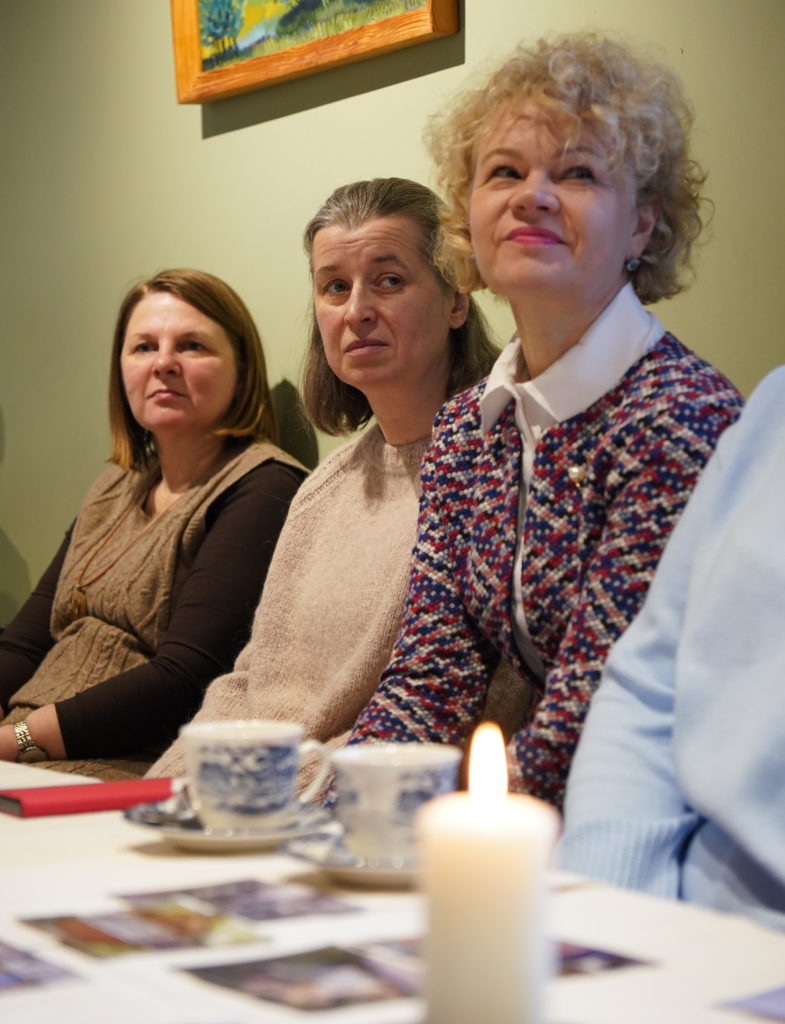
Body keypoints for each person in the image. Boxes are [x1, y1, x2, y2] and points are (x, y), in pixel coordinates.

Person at [348, 34, 743, 808]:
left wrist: (443, 833)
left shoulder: (679, 416)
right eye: (503, 172)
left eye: (577, 173)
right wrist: (344, 810)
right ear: (467, 214)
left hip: (667, 811)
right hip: (524, 812)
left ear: (641, 226)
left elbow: (594, 706)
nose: (531, 196)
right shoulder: (464, 429)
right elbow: (429, 676)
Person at [149, 178, 501, 781]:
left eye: (389, 280)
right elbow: (252, 680)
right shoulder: (323, 488)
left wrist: (276, 797)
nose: (357, 310)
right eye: (335, 286)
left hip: (350, 808)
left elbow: (468, 709)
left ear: (456, 302)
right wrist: (170, 788)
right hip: (247, 797)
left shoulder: (496, 470)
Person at [0, 269, 305, 778]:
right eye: (144, 347)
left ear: (242, 371)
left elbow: (185, 680)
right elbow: (24, 643)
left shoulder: (263, 486)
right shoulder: (115, 486)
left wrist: (19, 740)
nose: (164, 363)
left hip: (119, 769)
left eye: (191, 345)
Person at [559, 367, 785, 931]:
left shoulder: (682, 410)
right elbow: (648, 685)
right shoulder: (774, 408)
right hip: (670, 914)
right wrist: (603, 919)